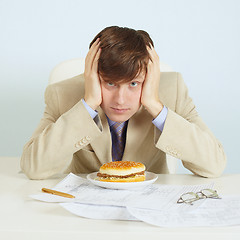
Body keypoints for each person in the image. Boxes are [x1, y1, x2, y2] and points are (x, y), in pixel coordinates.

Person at [21, 26, 226, 180]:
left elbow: (214, 165)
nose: (120, 99)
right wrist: (88, 104)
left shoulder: (173, 90)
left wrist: (155, 106)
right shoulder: (63, 94)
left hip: (150, 206)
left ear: (149, 77)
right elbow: (32, 167)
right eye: (110, 83)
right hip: (85, 210)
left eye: (134, 84)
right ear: (92, 75)